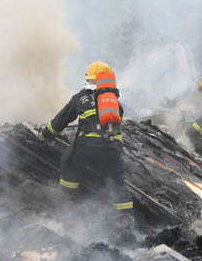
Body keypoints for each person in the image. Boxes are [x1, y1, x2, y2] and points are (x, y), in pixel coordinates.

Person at [39, 61, 134, 227]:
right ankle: (125, 217)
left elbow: (61, 120)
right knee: (117, 181)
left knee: (68, 161)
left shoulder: (80, 98)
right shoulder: (114, 103)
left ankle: (68, 200)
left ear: (89, 79)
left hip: (86, 147)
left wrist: (45, 134)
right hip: (113, 149)